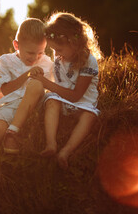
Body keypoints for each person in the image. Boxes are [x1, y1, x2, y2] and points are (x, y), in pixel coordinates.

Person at [0, 18, 53, 178]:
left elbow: (49, 86)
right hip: (11, 104)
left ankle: (13, 131)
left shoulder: (46, 62)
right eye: (30, 53)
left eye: (40, 52)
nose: (35, 58)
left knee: (36, 84)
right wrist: (26, 75)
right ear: (17, 45)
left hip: (35, 103)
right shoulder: (6, 60)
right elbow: (5, 90)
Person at [33, 11, 102, 169]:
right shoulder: (60, 59)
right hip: (63, 100)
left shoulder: (88, 61)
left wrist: (47, 84)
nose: (56, 54)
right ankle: (51, 143)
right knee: (51, 102)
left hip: (83, 103)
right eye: (53, 50)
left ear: (74, 43)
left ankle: (66, 151)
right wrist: (39, 73)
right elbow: (54, 78)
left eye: (59, 49)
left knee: (89, 117)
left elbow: (76, 95)